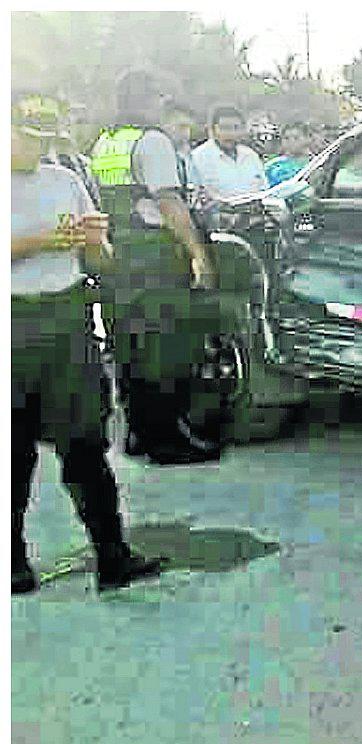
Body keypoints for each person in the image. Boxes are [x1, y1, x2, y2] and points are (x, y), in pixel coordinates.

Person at [11, 93, 164, 594]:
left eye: (43, 141)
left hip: (67, 322)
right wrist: (40, 242)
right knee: (14, 454)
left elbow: (101, 261)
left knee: (85, 446)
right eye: (26, 139)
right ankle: (13, 562)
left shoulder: (65, 181)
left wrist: (94, 241)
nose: (37, 151)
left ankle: (112, 557)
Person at [89, 69, 217, 461]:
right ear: (149, 99)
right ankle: (167, 441)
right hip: (155, 254)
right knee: (165, 346)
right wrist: (198, 253)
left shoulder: (105, 142)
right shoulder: (153, 142)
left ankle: (139, 433)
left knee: (130, 347)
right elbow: (169, 203)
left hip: (121, 254)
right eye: (162, 98)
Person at [187, 105, 268, 201]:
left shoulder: (251, 156)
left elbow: (264, 189)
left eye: (236, 128)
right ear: (213, 130)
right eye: (225, 128)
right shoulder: (197, 158)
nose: (230, 133)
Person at [264, 122, 311, 187]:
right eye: (286, 138)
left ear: (308, 139)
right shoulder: (273, 165)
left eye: (296, 138)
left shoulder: (315, 164)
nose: (291, 142)